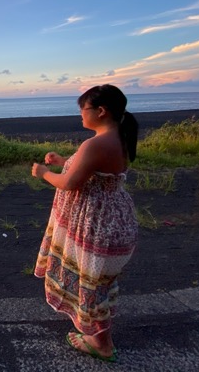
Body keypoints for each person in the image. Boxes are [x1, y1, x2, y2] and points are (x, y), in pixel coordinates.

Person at [31, 84, 139, 363]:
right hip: (112, 222)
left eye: (84, 109)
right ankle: (96, 336)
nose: (81, 115)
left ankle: (101, 344)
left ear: (101, 111)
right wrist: (63, 160)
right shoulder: (120, 136)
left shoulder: (96, 143)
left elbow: (69, 183)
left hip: (94, 226)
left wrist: (45, 172)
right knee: (97, 284)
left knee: (89, 285)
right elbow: (93, 169)